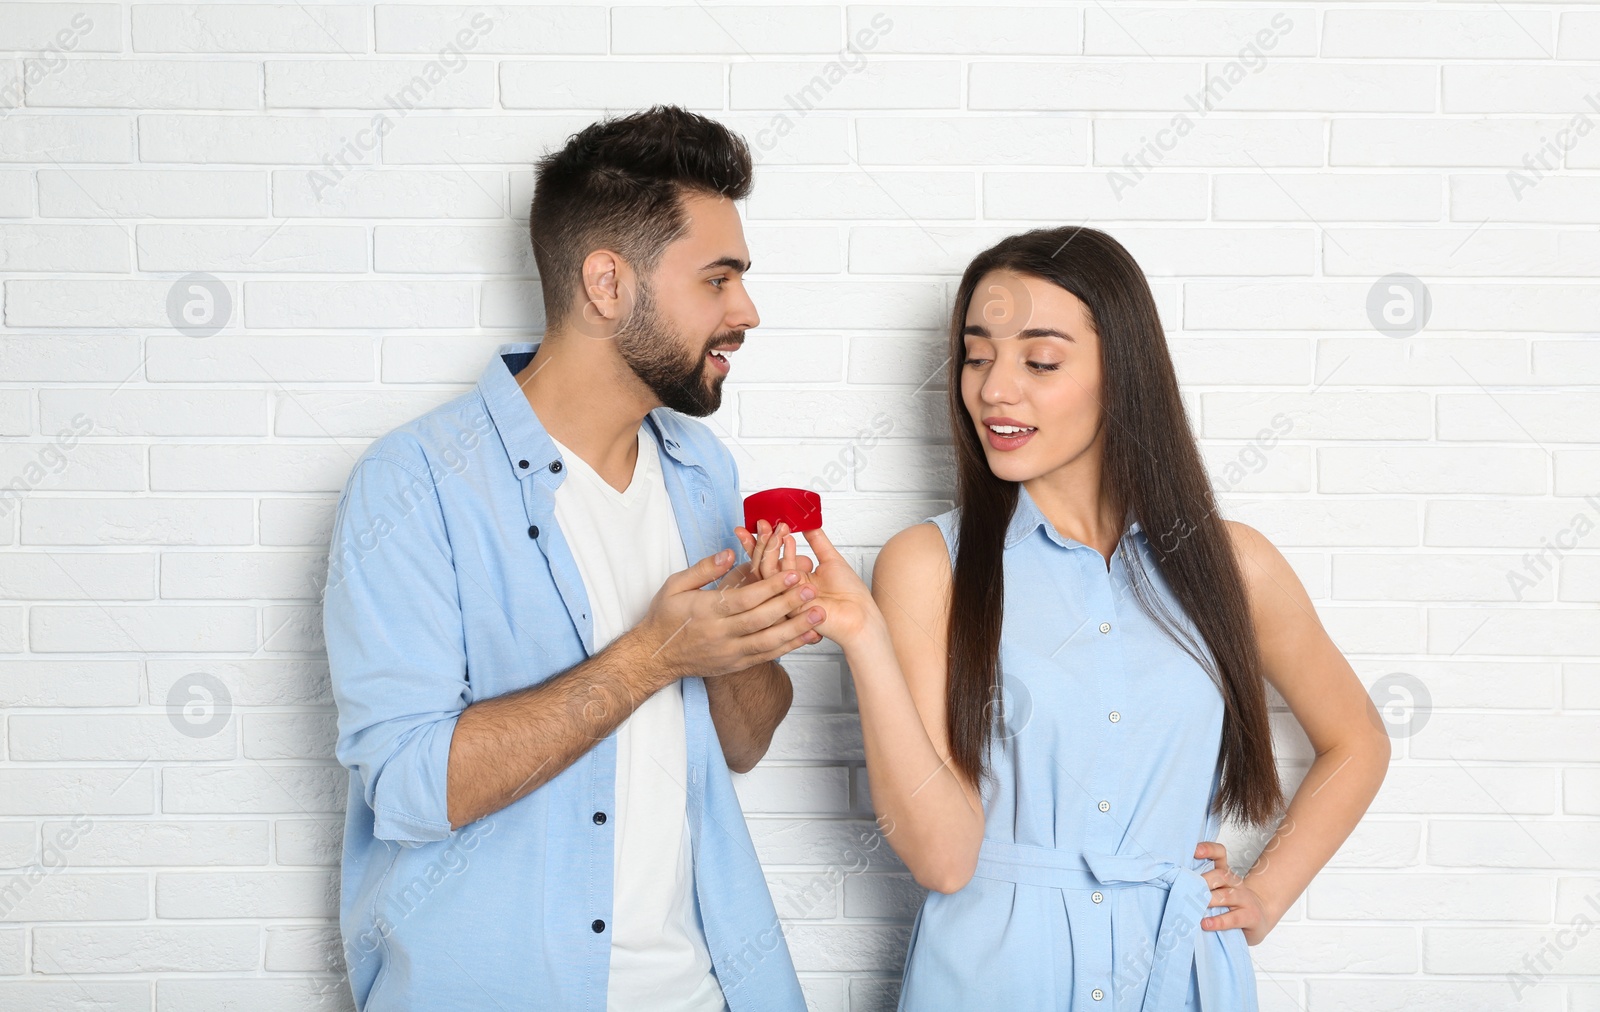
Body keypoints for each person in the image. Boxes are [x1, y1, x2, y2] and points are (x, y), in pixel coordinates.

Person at [759, 226, 1392, 1009]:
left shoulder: (1236, 566)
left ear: (1121, 375)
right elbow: (944, 862)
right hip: (995, 978)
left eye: (1041, 360)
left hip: (1182, 974)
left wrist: (1264, 894)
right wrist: (863, 637)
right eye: (978, 354)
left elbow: (1357, 739)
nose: (995, 389)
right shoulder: (929, 565)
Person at [323, 105, 820, 1011]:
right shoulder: (415, 485)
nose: (745, 311)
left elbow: (743, 742)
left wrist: (749, 635)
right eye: (718, 279)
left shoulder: (702, 470)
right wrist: (655, 656)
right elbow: (406, 788)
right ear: (606, 283)